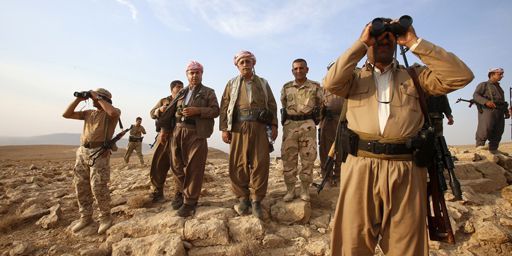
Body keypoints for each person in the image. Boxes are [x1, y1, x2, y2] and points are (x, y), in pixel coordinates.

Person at [324, 18, 473, 255]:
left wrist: (414, 42)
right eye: (377, 37)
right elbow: (331, 82)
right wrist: (361, 43)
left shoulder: (416, 77)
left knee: (406, 245)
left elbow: (461, 76)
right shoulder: (353, 79)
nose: (383, 41)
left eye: (389, 38)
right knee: (352, 243)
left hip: (406, 169)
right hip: (360, 167)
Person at [219, 50, 278, 219]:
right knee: (238, 162)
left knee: (261, 163)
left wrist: (274, 125)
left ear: (254, 63)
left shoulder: (263, 83)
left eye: (248, 61)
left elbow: (272, 105)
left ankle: (257, 200)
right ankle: (243, 198)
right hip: (238, 127)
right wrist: (224, 129)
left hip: (260, 126)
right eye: (242, 62)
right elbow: (224, 107)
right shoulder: (231, 84)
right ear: (237, 65)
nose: (245, 64)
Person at [159, 61, 219, 217]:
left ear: (201, 74)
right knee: (176, 165)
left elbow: (215, 111)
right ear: (187, 75)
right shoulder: (181, 92)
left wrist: (197, 110)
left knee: (194, 168)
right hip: (177, 131)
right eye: (191, 73)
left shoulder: (208, 92)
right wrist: (164, 130)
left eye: (197, 72)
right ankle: (180, 192)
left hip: (196, 133)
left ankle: (190, 202)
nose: (194, 75)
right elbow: (171, 111)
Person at [62, 88, 121, 234]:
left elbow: (113, 113)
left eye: (95, 98)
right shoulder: (89, 113)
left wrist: (97, 97)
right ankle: (85, 217)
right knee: (81, 184)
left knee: (98, 186)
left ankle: (105, 217)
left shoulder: (112, 112)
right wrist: (79, 99)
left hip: (99, 152)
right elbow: (66, 114)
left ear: (104, 98)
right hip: (83, 151)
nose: (93, 100)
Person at [280, 58, 323, 202]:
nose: (298, 71)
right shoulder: (286, 87)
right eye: (296, 69)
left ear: (307, 69)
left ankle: (304, 189)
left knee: (308, 158)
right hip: (290, 125)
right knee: (288, 158)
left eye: (301, 68)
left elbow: (321, 104)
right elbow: (284, 103)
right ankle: (290, 190)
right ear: (292, 71)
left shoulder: (315, 86)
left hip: (308, 125)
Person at [148, 80, 184, 203]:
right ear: (171, 89)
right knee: (158, 164)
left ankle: (179, 193)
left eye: (181, 86)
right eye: (178, 87)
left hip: (179, 136)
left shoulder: (184, 100)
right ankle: (157, 192)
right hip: (163, 135)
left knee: (178, 165)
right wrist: (160, 110)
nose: (180, 89)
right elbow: (152, 113)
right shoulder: (164, 100)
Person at [319, 63, 346, 187]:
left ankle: (339, 176)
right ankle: (327, 178)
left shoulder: (348, 83)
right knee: (326, 150)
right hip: (328, 121)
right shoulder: (324, 85)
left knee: (343, 150)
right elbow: (318, 104)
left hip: (344, 121)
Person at [473, 68, 509, 154]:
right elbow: (476, 95)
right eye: (499, 74)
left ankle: (493, 150)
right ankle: (479, 151)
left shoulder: (500, 88)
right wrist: (486, 102)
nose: (501, 76)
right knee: (485, 129)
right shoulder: (484, 85)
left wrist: (506, 111)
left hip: (499, 111)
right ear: (492, 74)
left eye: (502, 74)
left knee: (498, 131)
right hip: (488, 111)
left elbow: (502, 102)